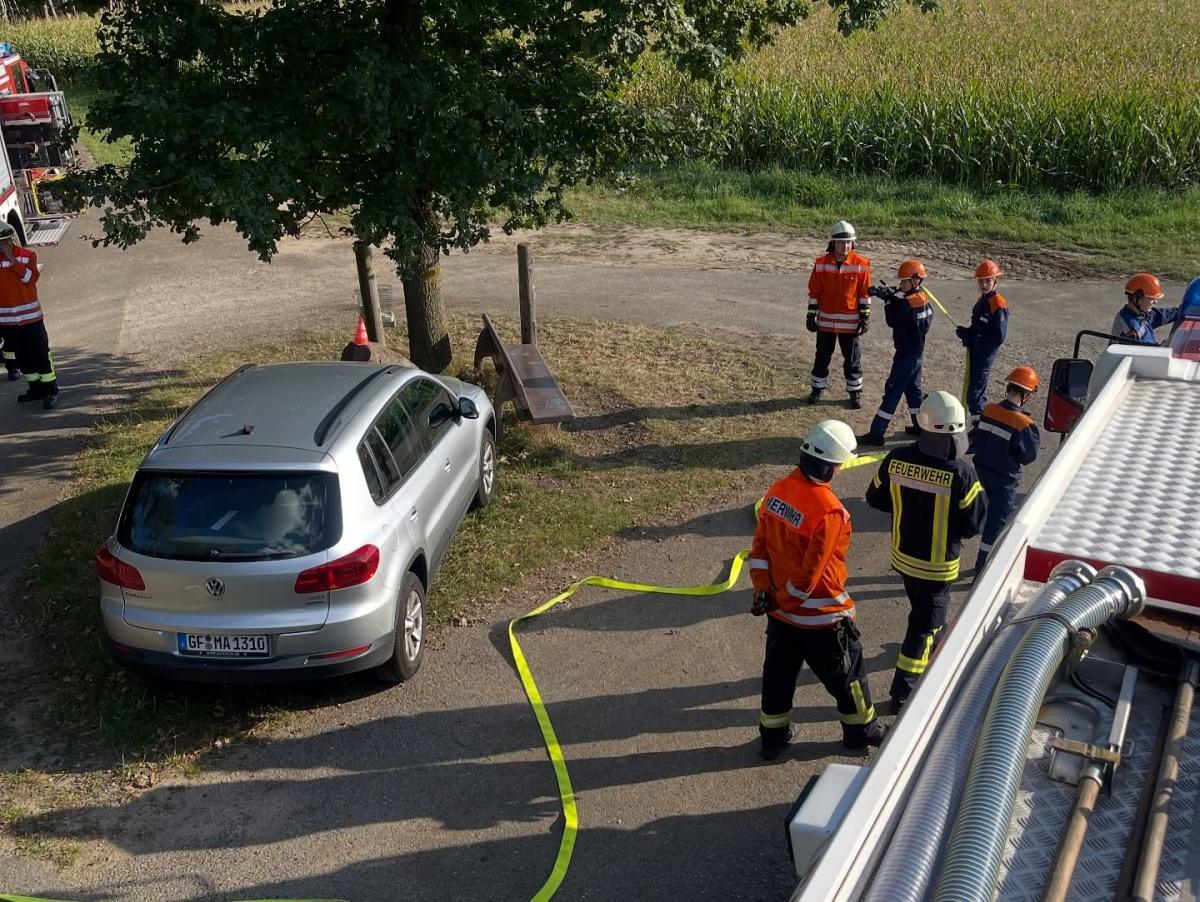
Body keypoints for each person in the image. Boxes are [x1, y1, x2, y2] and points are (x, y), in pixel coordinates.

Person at [749, 419, 885, 759]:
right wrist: (784, 599)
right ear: (834, 465)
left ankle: (773, 740)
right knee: (849, 680)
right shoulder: (830, 512)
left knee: (777, 681)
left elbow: (759, 551)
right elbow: (809, 578)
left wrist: (765, 593)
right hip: (824, 620)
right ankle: (860, 733)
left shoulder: (776, 492)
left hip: (780, 617)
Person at [865, 391, 987, 711]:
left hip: (903, 558)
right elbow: (975, 522)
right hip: (937, 567)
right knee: (922, 627)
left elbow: (875, 498)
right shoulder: (961, 473)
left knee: (925, 614)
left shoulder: (897, 459)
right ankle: (904, 690)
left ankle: (935, 645)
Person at [969, 367, 1040, 574]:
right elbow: (1028, 457)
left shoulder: (989, 410)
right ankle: (983, 570)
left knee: (982, 516)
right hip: (1004, 482)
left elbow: (976, 440)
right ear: (1027, 395)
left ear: (1008, 387)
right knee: (995, 527)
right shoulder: (1024, 424)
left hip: (981, 474)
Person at [859, 259, 933, 446]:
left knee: (892, 390)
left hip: (906, 355)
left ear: (915, 281)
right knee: (914, 392)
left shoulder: (907, 304)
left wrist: (887, 301)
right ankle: (920, 427)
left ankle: (877, 432)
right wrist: (893, 295)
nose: (900, 284)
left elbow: (893, 320)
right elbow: (904, 304)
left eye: (903, 281)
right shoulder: (923, 299)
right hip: (916, 354)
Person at [806, 221, 872, 410]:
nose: (845, 247)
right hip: (825, 323)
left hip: (850, 324)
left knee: (852, 360)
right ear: (833, 244)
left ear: (853, 244)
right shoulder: (820, 264)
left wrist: (864, 318)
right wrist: (811, 316)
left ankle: (854, 392)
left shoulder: (861, 265)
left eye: (849, 243)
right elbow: (814, 293)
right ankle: (817, 389)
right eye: (841, 243)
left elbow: (864, 294)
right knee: (822, 357)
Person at [0, 221, 58, 409]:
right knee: (23, 357)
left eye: (3, 242)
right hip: (8, 322)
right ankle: (35, 389)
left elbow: (30, 279)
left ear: (10, 240)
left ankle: (50, 391)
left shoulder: (27, 256)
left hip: (31, 319)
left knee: (40, 354)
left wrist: (12, 260)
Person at [956, 259, 1008, 423]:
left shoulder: (997, 305)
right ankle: (977, 427)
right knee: (973, 389)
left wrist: (973, 341)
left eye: (988, 281)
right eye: (981, 281)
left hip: (984, 354)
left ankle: (979, 431)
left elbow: (997, 338)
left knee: (975, 392)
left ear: (996, 281)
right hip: (976, 349)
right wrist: (968, 332)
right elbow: (979, 326)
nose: (984, 284)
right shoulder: (983, 300)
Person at [1112, 273, 1180, 344]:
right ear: (1136, 299)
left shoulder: (1141, 314)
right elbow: (1140, 352)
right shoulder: (1131, 329)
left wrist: (1182, 310)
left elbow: (1162, 315)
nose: (1155, 302)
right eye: (1151, 299)